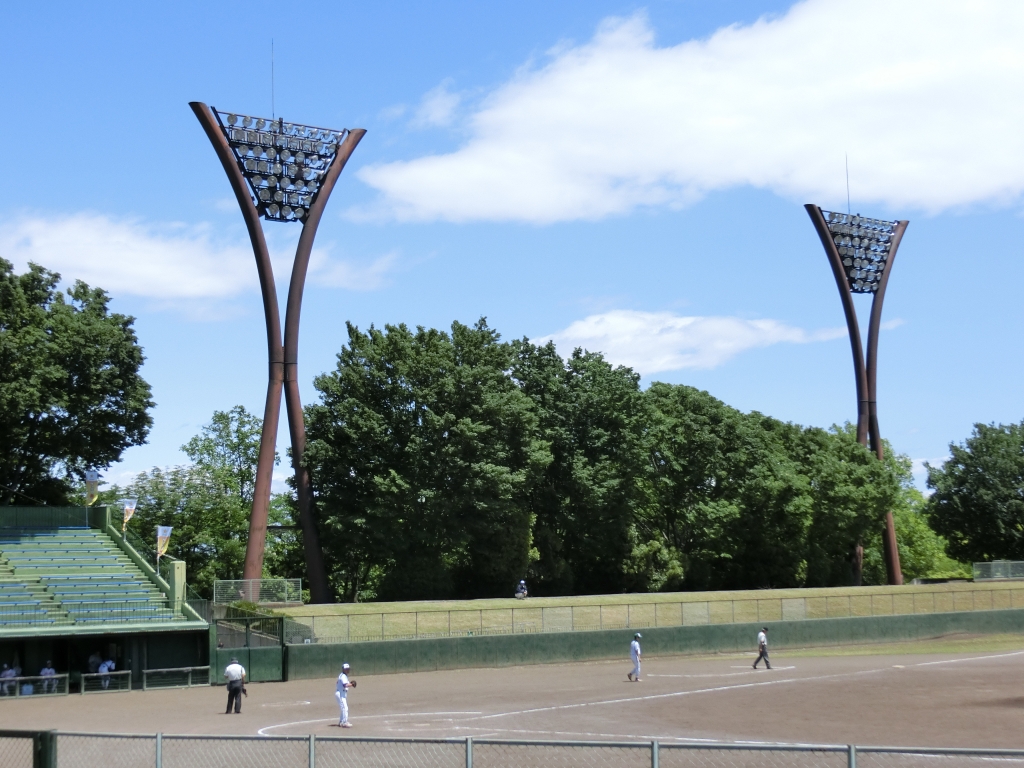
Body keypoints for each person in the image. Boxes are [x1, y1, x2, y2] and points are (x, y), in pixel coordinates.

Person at [335, 662, 356, 727]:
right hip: (341, 693)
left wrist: (349, 683)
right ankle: (344, 722)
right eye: (346, 669)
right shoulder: (343, 676)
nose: (347, 670)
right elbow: (345, 685)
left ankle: (341, 721)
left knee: (343, 708)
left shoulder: (342, 675)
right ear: (343, 669)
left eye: (348, 669)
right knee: (345, 708)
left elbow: (338, 682)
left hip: (341, 693)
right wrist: (352, 684)